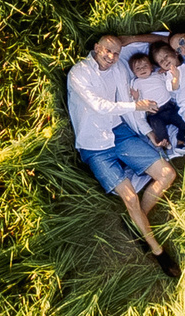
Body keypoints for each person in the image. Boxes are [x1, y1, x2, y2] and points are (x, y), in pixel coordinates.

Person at [65, 32, 178, 268]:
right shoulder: (78, 73)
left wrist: (148, 133)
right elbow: (100, 105)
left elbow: (126, 110)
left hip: (120, 133)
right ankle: (157, 252)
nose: (112, 56)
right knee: (130, 197)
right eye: (107, 50)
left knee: (168, 174)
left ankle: (136, 222)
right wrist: (136, 104)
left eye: (116, 53)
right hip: (93, 145)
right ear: (96, 48)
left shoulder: (117, 70)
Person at [127, 48, 185, 157]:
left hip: (169, 107)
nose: (142, 69)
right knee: (159, 133)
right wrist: (136, 97)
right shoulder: (136, 82)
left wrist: (164, 70)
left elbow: (169, 80)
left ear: (151, 66)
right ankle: (165, 145)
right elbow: (137, 102)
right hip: (154, 114)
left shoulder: (158, 74)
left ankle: (181, 143)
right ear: (134, 72)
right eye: (138, 68)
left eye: (145, 66)